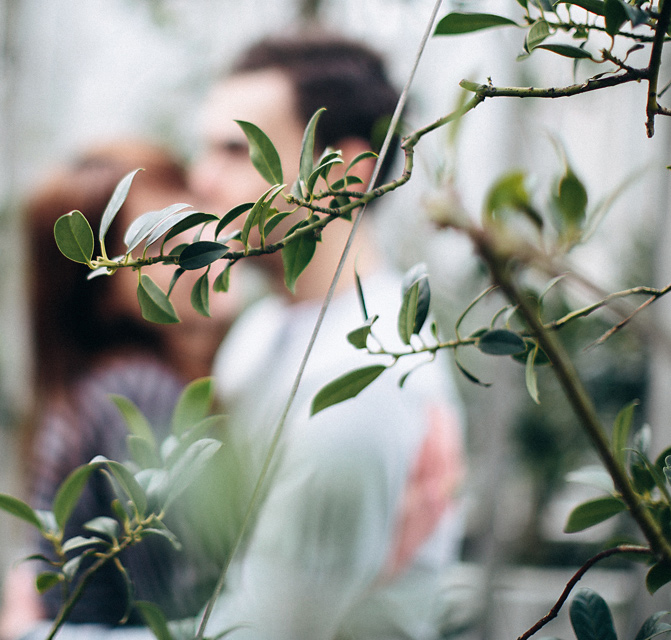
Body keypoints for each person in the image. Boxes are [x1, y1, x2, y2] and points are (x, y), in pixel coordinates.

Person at [191, 32, 467, 640]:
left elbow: (267, 632)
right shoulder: (264, 329)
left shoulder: (362, 380)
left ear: (344, 173)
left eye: (237, 151)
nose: (201, 180)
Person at [0, 141, 235, 639]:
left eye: (185, 216)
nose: (197, 245)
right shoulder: (136, 396)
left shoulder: (93, 392)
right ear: (102, 291)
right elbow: (197, 618)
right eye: (155, 243)